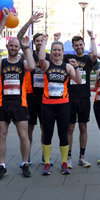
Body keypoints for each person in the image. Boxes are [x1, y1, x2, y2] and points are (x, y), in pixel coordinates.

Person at [0, 8, 36, 178]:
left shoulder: (23, 63)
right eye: (11, 45)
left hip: (20, 104)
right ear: (7, 46)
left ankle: (25, 163)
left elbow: (32, 66)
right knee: (1, 136)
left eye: (16, 46)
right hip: (2, 104)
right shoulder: (2, 63)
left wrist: (26, 46)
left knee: (23, 135)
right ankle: (2, 165)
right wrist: (4, 21)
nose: (14, 48)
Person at [38, 34, 82, 175]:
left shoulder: (67, 66)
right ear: (51, 52)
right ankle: (46, 163)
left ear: (63, 52)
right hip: (47, 105)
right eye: (54, 50)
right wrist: (44, 42)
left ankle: (64, 163)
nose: (57, 52)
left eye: (59, 50)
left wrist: (76, 68)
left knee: (63, 134)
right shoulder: (46, 65)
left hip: (63, 105)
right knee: (47, 134)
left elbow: (79, 81)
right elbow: (40, 58)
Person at [17, 12, 53, 166]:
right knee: (29, 129)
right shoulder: (28, 54)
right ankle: (28, 156)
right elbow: (19, 37)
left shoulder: (49, 57)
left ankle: (46, 157)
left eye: (41, 41)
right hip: (30, 97)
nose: (39, 43)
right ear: (34, 42)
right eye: (37, 41)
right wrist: (29, 22)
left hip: (45, 98)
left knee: (45, 128)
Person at [59, 31, 97, 169]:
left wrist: (92, 37)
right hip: (70, 97)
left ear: (84, 45)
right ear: (73, 47)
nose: (79, 47)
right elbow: (56, 55)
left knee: (83, 127)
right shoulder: (68, 57)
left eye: (81, 45)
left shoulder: (87, 60)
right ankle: (68, 157)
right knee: (70, 127)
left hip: (84, 98)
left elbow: (94, 55)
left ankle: (82, 156)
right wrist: (56, 39)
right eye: (76, 45)